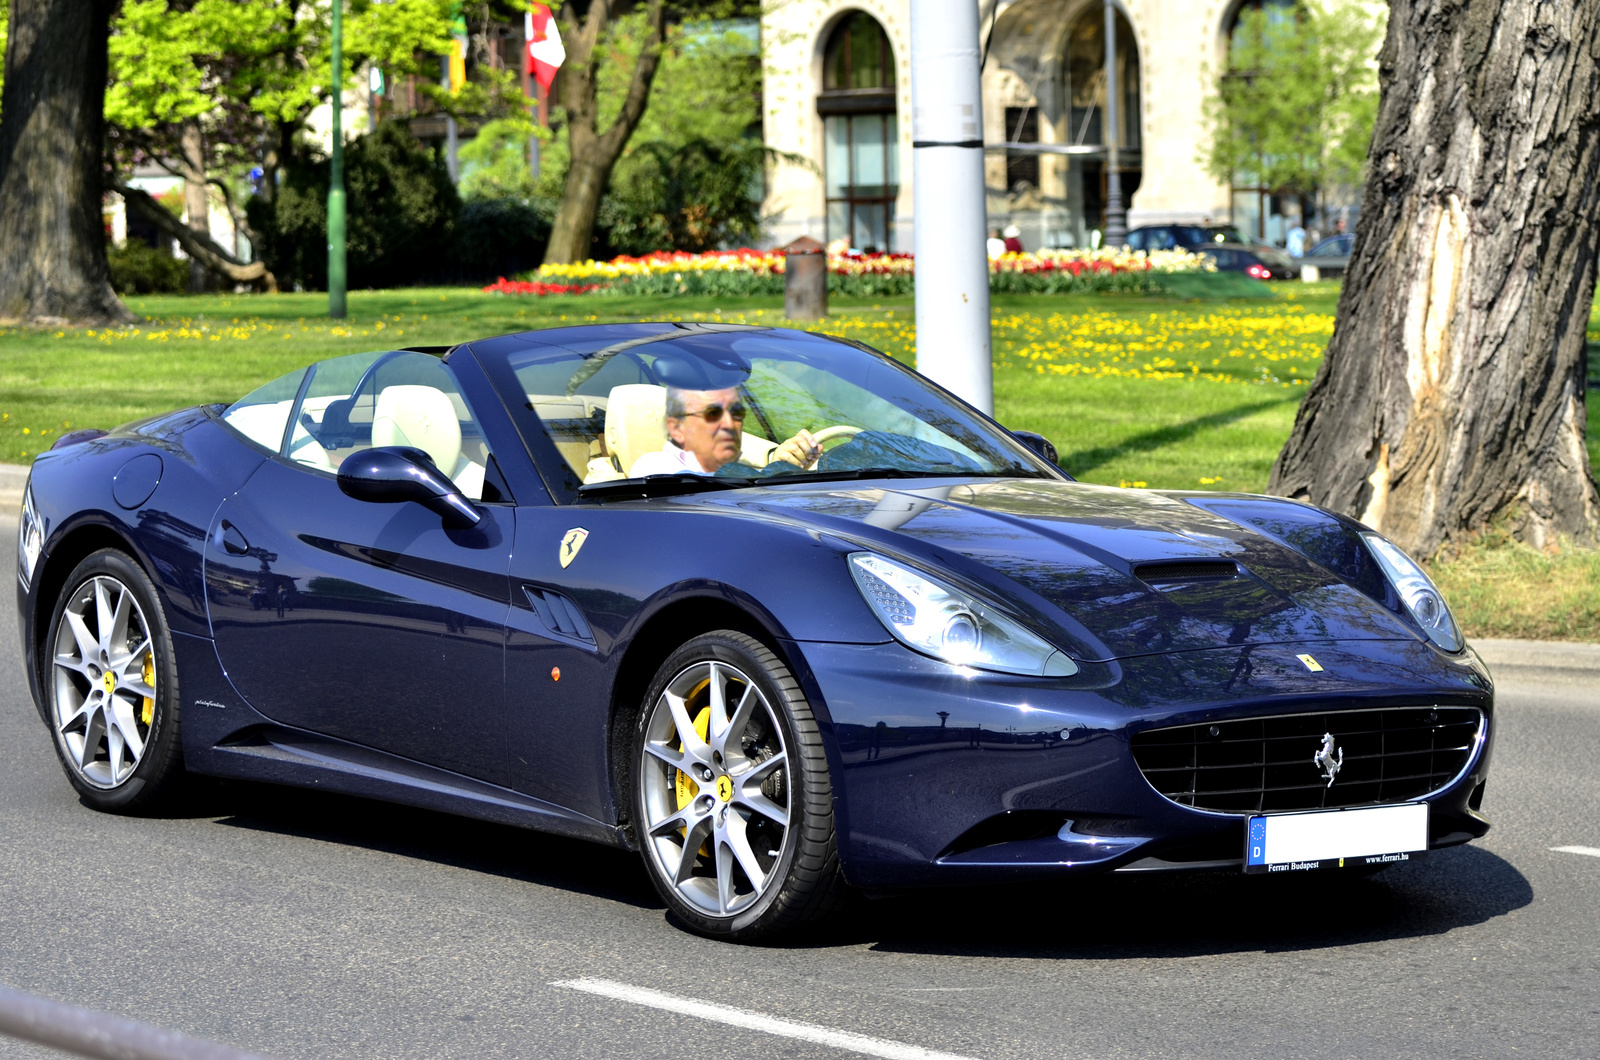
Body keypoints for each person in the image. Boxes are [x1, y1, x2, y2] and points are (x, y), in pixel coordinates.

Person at [629, 385, 821, 477]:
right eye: (713, 414)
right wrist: (771, 473)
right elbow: (701, 489)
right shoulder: (652, 466)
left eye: (736, 413)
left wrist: (780, 466)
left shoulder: (742, 468)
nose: (730, 424)